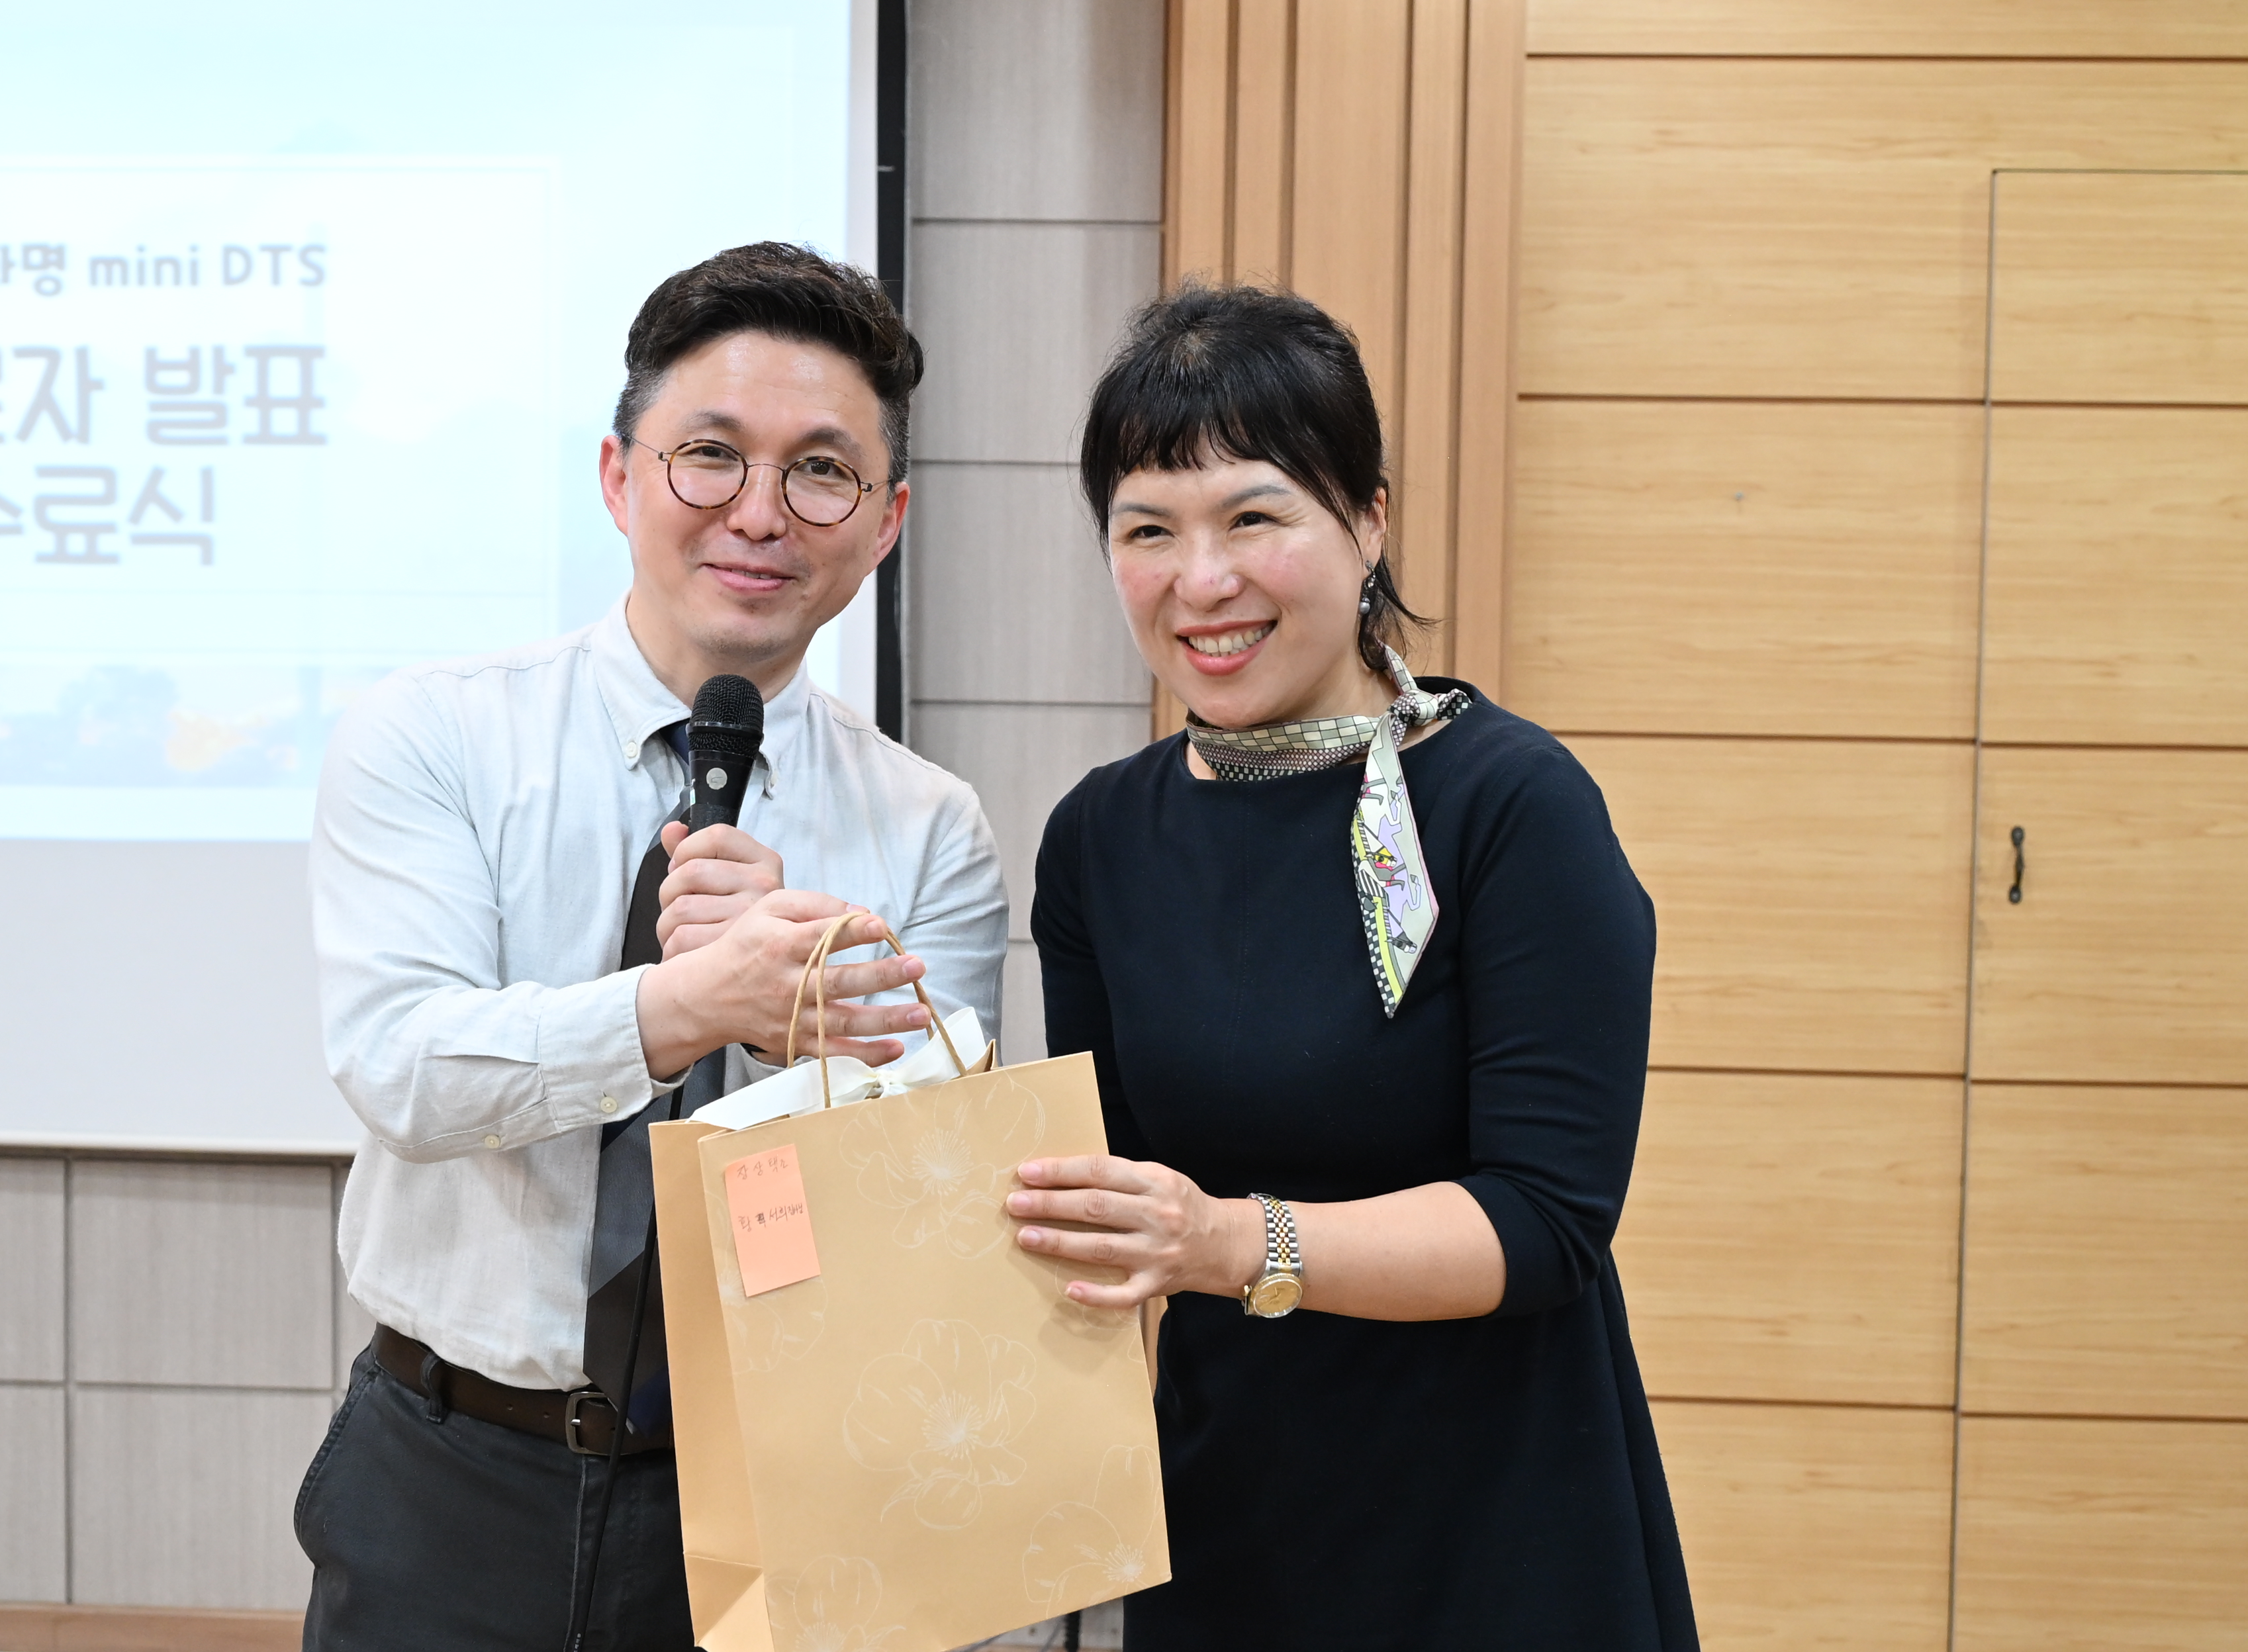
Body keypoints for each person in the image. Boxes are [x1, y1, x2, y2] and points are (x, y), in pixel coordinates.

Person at [297, 243, 1008, 1651]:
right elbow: (403, 1070)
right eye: (711, 456)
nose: (761, 512)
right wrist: (680, 1007)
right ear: (622, 477)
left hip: (784, 1478)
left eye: (822, 472)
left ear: (885, 523)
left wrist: (799, 1052)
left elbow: (936, 1207)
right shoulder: (435, 734)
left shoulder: (931, 827)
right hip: (453, 1464)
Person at [1007, 285, 1698, 1649]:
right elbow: (1115, 1201)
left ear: (1368, 521)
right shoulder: (1099, 837)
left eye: (1253, 517)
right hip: (1231, 1531)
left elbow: (1545, 1221)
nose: (1202, 581)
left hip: (1500, 1536)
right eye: (1148, 529)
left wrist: (1229, 1241)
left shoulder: (1513, 804)